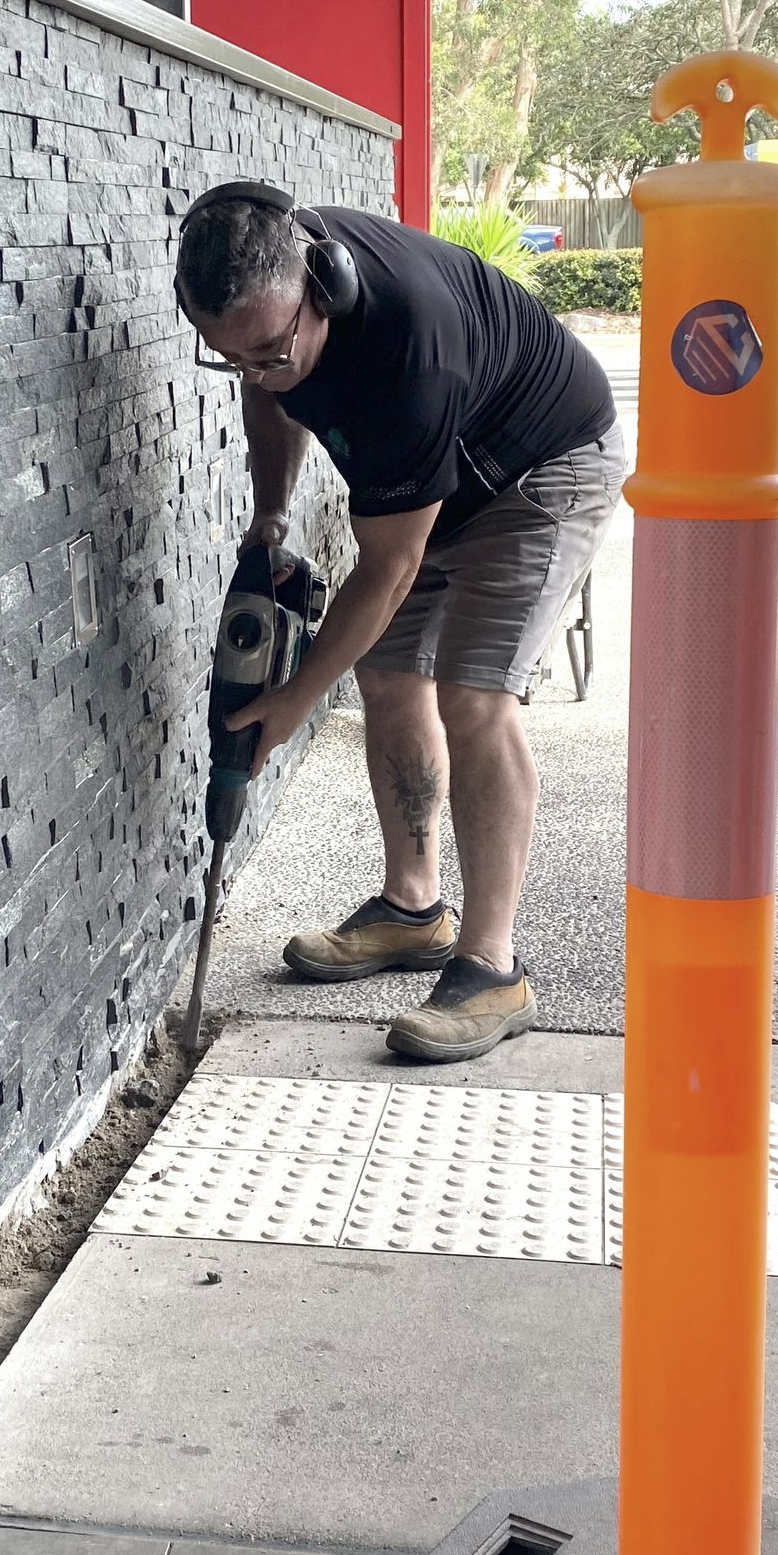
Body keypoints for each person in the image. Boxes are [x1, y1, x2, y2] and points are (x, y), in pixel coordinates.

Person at [174, 181, 624, 1062]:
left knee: (472, 693)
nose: (258, 373)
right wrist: (269, 515)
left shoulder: (411, 349)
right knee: (386, 674)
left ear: (323, 283)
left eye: (270, 349)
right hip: (433, 480)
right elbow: (272, 399)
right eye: (231, 359)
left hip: (542, 467)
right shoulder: (270, 324)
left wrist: (296, 700)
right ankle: (414, 906)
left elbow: (390, 567)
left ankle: (493, 967)